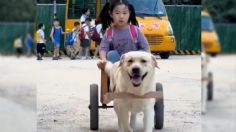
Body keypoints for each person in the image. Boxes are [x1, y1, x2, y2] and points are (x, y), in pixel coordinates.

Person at [97, 0, 150, 69]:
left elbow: (145, 47)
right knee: (111, 54)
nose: (121, 16)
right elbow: (103, 48)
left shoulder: (135, 31)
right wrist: (103, 59)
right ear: (111, 14)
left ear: (129, 13)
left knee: (143, 54)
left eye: (124, 13)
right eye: (117, 13)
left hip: (135, 65)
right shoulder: (109, 32)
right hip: (118, 66)